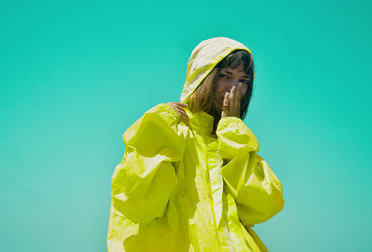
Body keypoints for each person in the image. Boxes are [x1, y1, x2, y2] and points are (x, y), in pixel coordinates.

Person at [107, 37, 284, 252]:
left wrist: (232, 130)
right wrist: (160, 127)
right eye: (225, 76)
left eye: (244, 81)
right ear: (203, 77)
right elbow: (135, 201)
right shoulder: (169, 127)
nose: (234, 88)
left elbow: (265, 204)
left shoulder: (234, 140)